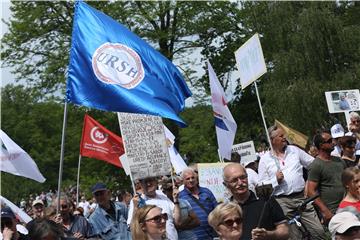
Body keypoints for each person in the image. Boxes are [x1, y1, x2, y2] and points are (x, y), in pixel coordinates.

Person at [258, 125, 325, 239]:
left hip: (302, 199)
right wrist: (275, 180)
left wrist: (309, 182)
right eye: (281, 136)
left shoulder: (294, 150)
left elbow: (314, 165)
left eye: (284, 135)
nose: (285, 138)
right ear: (272, 140)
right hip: (282, 203)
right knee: (294, 236)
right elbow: (261, 187)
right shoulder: (265, 160)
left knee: (318, 232)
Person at [223, 163, 289, 240]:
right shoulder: (225, 210)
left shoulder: (266, 200)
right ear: (226, 184)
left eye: (243, 177)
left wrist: (268, 235)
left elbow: (285, 231)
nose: (240, 183)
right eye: (234, 180)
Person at [307, 130, 346, 224]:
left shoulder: (340, 161)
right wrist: (325, 211)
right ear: (321, 145)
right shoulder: (316, 165)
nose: (333, 142)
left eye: (332, 140)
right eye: (329, 141)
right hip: (333, 210)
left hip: (348, 205)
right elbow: (310, 191)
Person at [178, 168, 218, 240]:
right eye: (188, 178)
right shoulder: (180, 196)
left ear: (196, 178)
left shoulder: (207, 192)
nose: (191, 180)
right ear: (183, 181)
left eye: (193, 177)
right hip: (192, 237)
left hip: (211, 235)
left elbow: (217, 210)